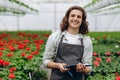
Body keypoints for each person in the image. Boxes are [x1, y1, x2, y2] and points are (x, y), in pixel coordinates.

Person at [43, 5, 93, 80]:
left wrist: (83, 68)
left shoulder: (86, 41)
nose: (75, 19)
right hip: (57, 77)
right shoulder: (55, 37)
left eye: (79, 17)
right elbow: (46, 61)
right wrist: (58, 65)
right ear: (67, 18)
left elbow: (89, 68)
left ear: (82, 20)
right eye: (72, 16)